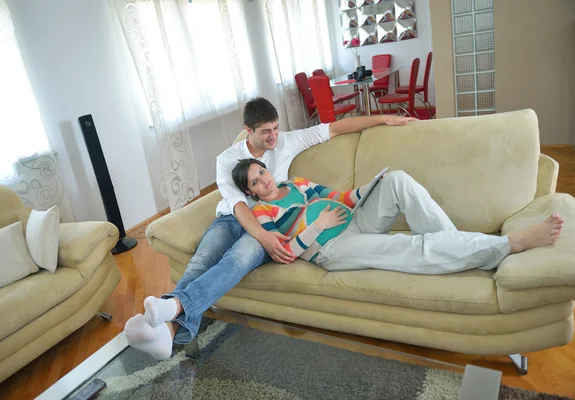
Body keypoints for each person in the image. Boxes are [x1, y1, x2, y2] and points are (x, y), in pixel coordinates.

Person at [123, 97, 418, 360]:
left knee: (236, 260)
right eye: (266, 131)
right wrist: (262, 237)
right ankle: (171, 327)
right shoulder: (227, 159)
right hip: (231, 218)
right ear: (248, 130)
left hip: (271, 220)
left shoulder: (287, 140)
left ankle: (170, 321)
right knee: (201, 261)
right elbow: (237, 205)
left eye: (276, 128)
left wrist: (384, 118)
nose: (273, 136)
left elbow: (335, 128)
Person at [231, 158, 564, 274]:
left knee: (398, 180)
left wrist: (369, 187)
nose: (264, 180)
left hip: (355, 219)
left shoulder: (298, 183)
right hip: (330, 248)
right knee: (408, 247)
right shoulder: (262, 212)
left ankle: (462, 247)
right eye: (255, 182)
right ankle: (506, 245)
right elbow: (285, 251)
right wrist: (318, 225)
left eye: (262, 171)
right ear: (251, 192)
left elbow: (337, 197)